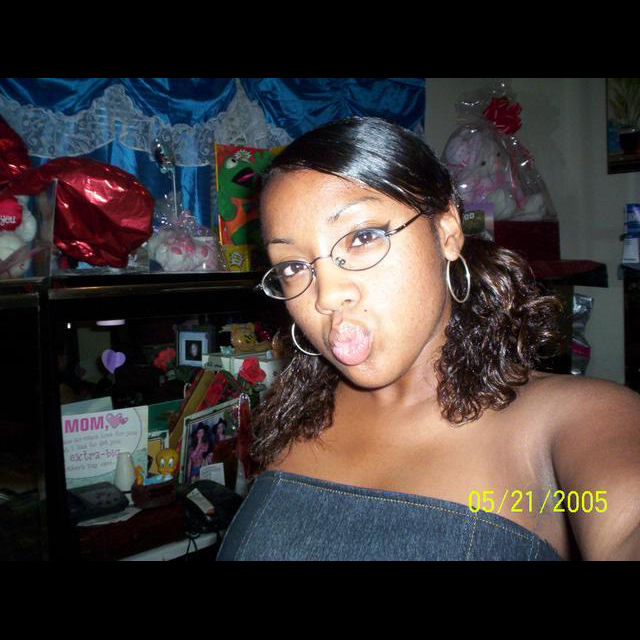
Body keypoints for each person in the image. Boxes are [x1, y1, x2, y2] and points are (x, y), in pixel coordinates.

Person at [216, 116, 640, 561]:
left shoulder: (572, 422)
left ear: (447, 231)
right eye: (292, 266)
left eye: (363, 237)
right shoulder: (291, 421)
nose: (326, 295)